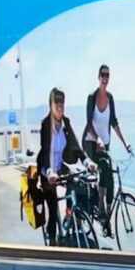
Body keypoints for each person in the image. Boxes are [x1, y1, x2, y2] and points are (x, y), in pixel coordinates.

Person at [38, 88, 94, 246]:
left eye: (62, 102)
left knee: (75, 181)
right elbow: (46, 149)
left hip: (60, 165)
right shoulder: (45, 124)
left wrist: (87, 162)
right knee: (53, 207)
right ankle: (52, 241)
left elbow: (76, 146)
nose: (60, 105)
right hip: (47, 169)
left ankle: (69, 214)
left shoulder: (66, 123)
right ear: (51, 104)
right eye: (57, 102)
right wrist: (49, 172)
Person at [83, 64, 131, 237]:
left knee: (109, 177)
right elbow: (89, 123)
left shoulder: (110, 98)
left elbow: (114, 122)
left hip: (105, 145)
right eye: (103, 74)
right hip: (91, 142)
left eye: (108, 75)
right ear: (98, 77)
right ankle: (101, 207)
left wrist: (126, 144)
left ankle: (106, 217)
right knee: (103, 168)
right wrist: (98, 140)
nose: (105, 77)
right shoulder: (91, 97)